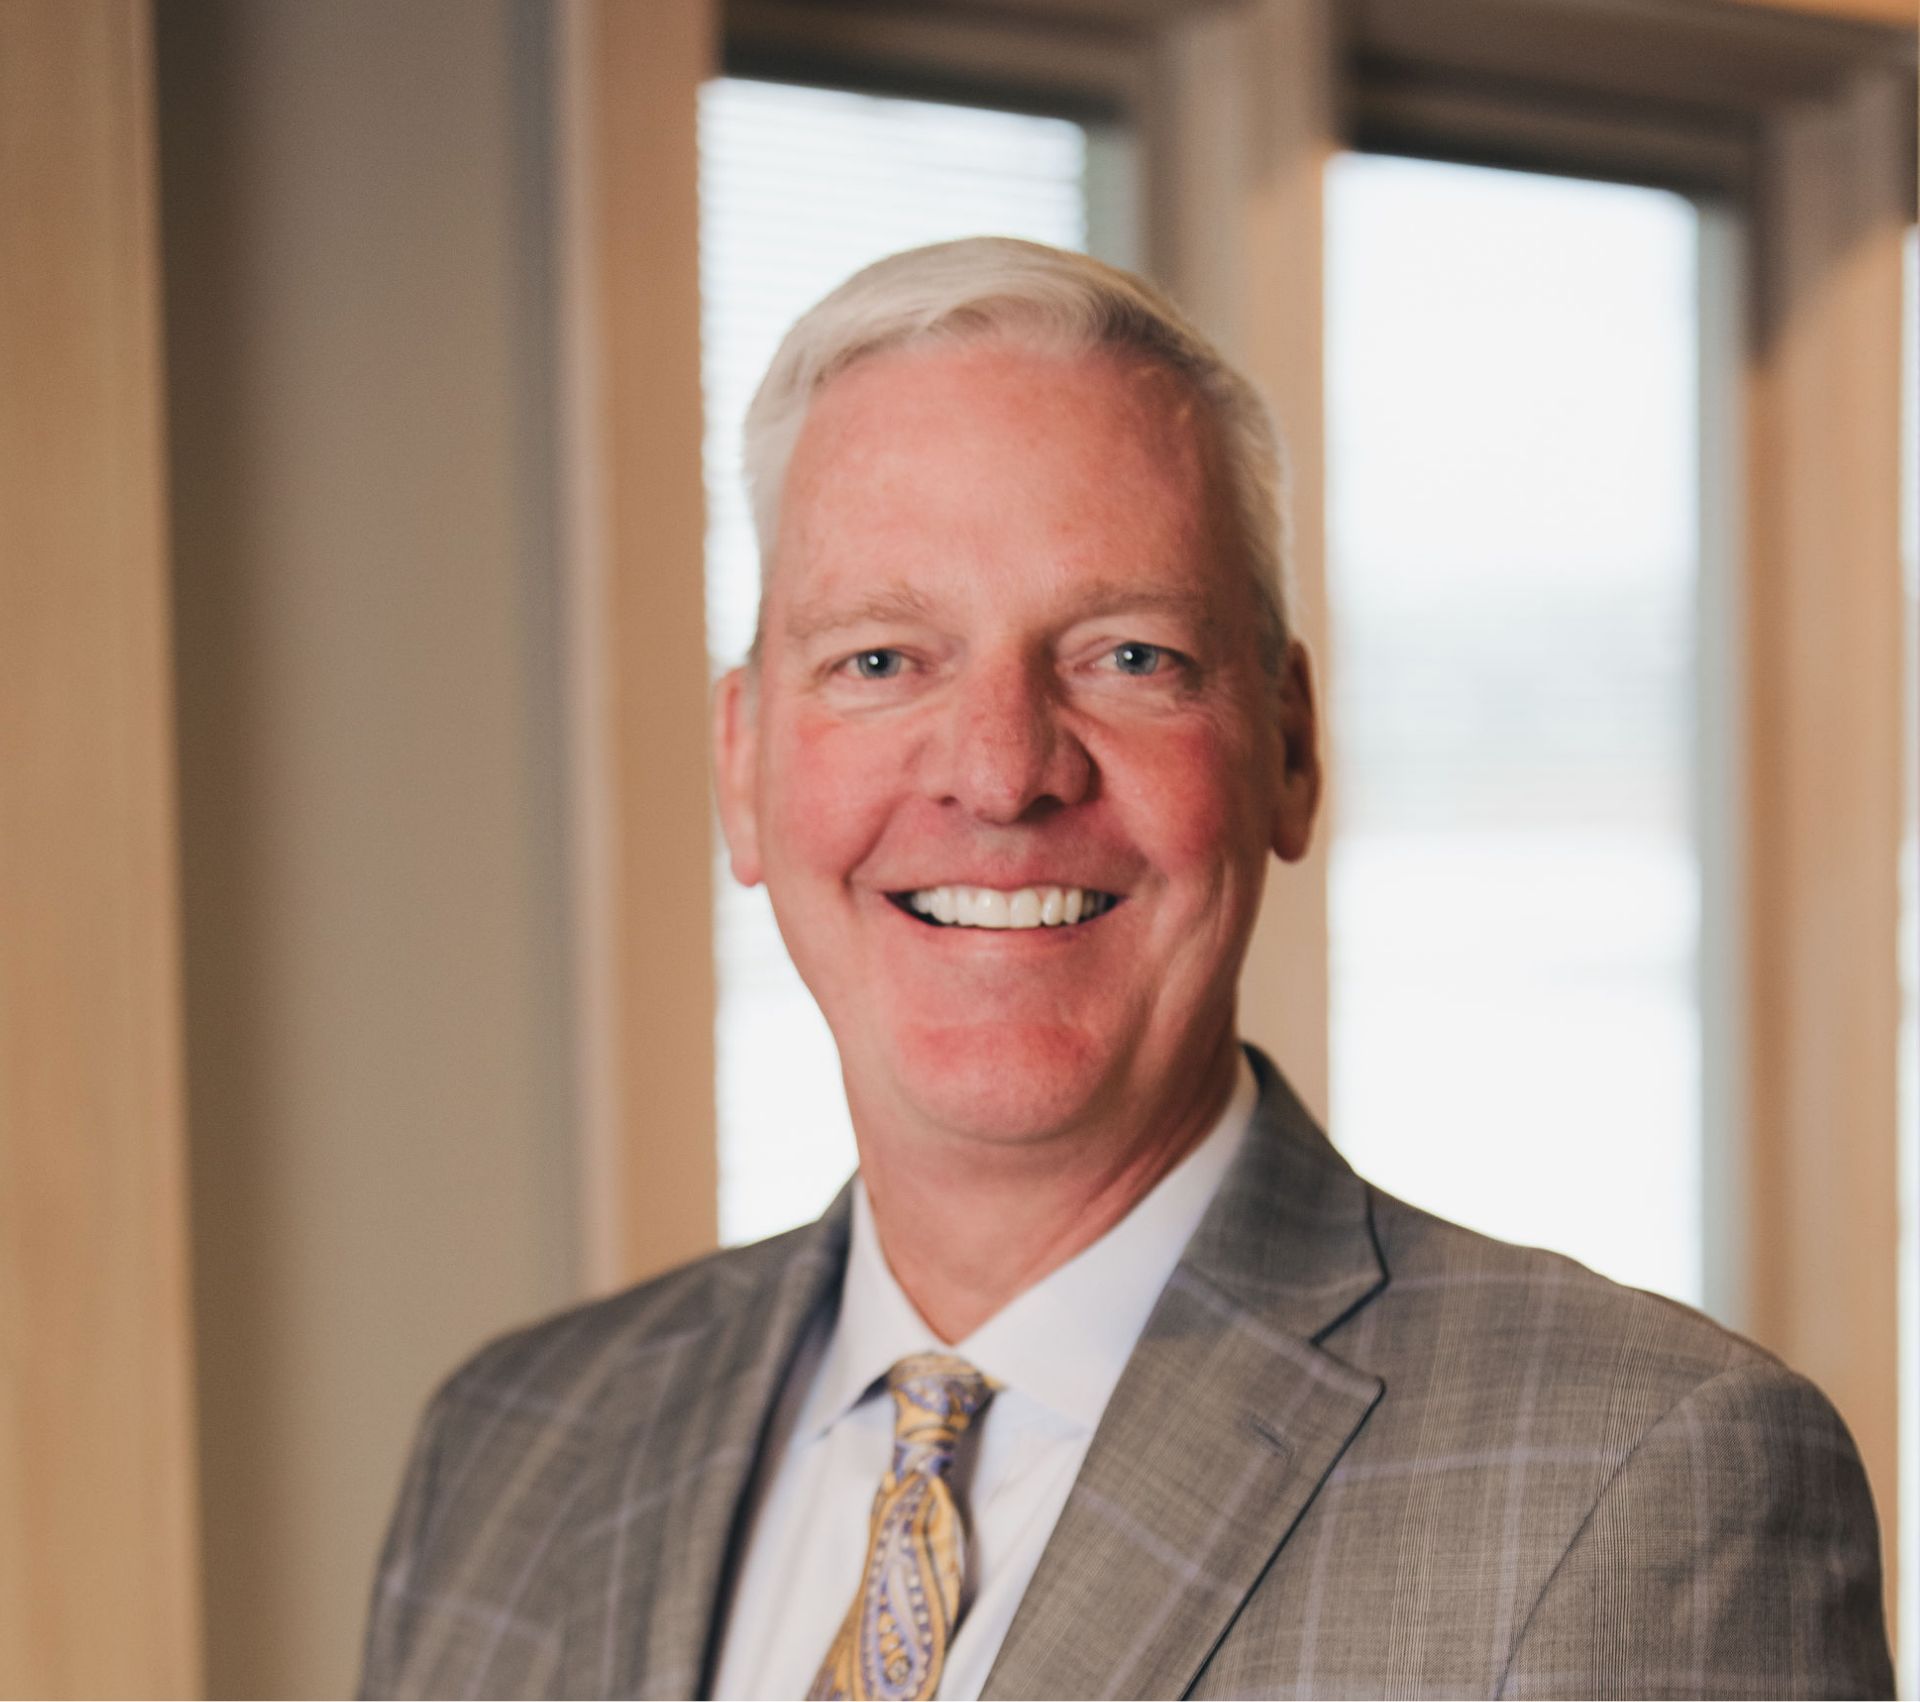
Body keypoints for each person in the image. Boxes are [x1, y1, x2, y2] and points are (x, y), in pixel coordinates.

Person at [360, 238, 1893, 1700]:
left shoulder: (1637, 1482)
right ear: (743, 764)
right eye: (880, 659)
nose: (1001, 771)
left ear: (1289, 748)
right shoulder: (508, 1452)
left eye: (1129, 655)